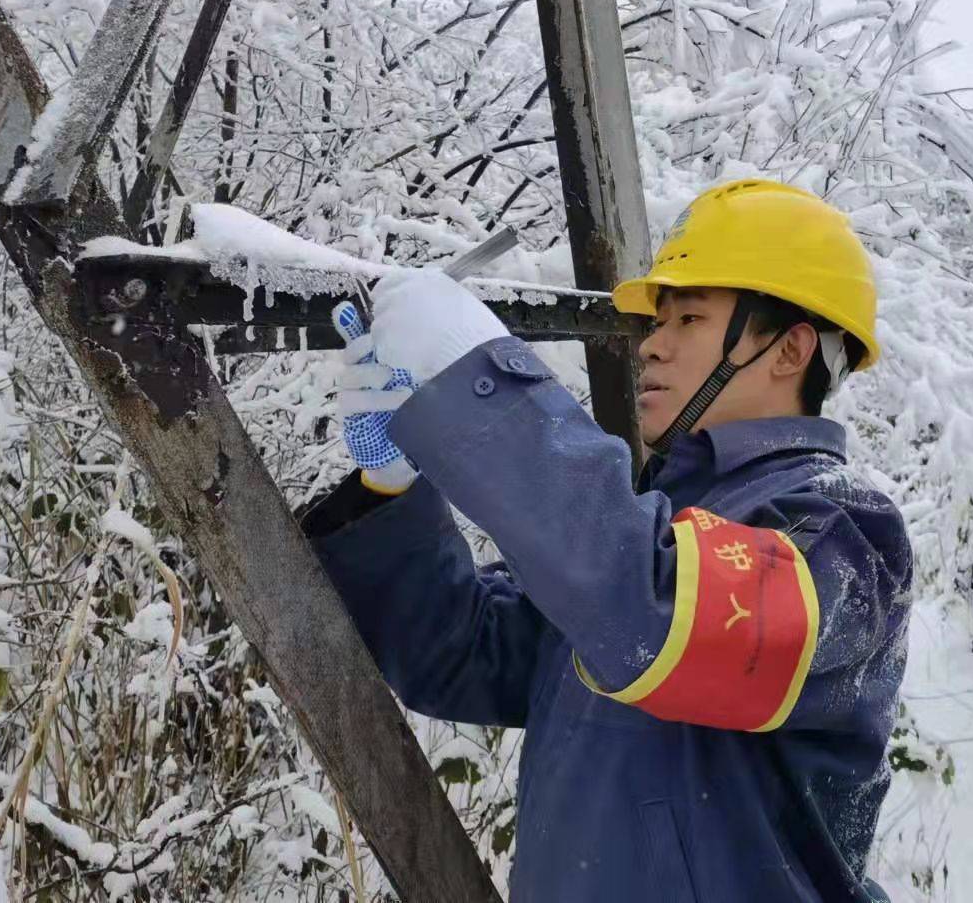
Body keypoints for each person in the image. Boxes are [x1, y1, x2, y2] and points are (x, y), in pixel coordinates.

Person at [300, 179, 911, 901]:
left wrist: (484, 378)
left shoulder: (844, 533)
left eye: (688, 316)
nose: (652, 344)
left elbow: (662, 615)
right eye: (657, 321)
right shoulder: (644, 527)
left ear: (788, 349)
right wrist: (394, 489)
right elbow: (458, 653)